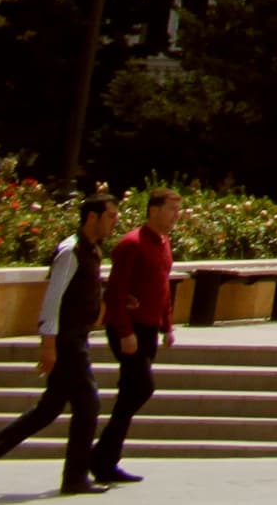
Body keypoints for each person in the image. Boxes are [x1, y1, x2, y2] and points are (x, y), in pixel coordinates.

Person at [0, 193, 113, 497]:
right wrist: (48, 345)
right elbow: (52, 300)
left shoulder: (93, 250)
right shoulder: (69, 251)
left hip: (77, 335)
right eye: (110, 216)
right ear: (92, 217)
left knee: (48, 409)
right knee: (88, 403)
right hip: (67, 340)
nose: (115, 222)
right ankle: (75, 477)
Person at [92, 189, 181, 487]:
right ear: (153, 210)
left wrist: (167, 326)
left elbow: (163, 289)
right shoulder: (131, 244)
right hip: (128, 328)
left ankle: (105, 460)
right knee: (141, 387)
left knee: (131, 392)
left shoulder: (164, 243)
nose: (176, 216)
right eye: (171, 209)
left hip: (149, 329)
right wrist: (125, 332)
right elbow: (116, 293)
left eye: (178, 210)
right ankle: (101, 457)